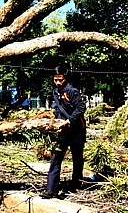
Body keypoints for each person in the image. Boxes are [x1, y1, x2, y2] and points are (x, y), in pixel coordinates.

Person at [40, 65, 87, 199]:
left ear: (65, 79)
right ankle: (51, 189)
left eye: (60, 80)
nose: (58, 83)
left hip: (77, 129)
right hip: (62, 131)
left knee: (77, 157)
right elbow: (58, 108)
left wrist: (69, 120)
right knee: (56, 157)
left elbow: (81, 108)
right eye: (55, 80)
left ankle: (76, 183)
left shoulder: (72, 91)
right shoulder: (56, 92)